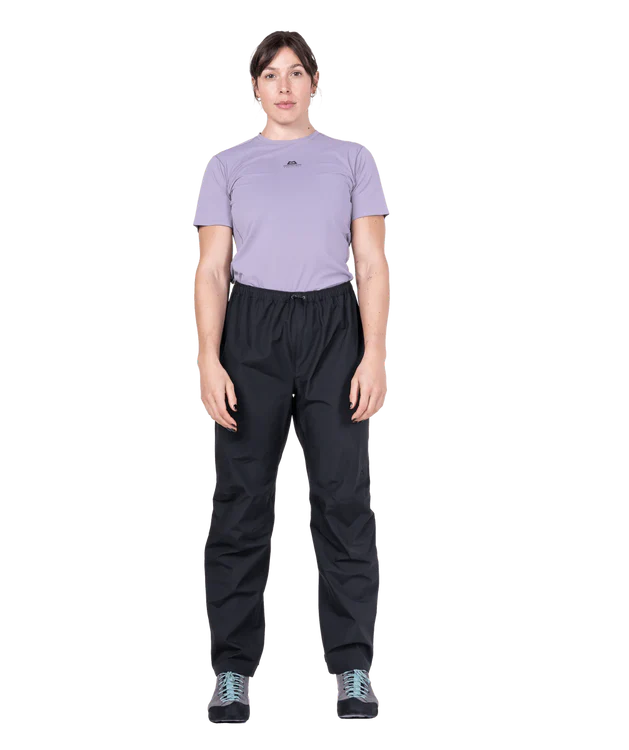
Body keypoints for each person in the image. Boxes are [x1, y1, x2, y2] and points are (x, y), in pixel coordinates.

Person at [192, 30, 391, 725]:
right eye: (271, 74)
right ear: (255, 88)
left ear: (315, 83)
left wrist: (375, 354)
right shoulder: (227, 165)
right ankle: (231, 674)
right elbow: (212, 269)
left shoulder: (352, 159)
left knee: (344, 500)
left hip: (335, 328)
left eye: (296, 73)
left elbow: (372, 263)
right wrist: (208, 360)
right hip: (252, 330)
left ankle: (354, 671)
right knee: (241, 501)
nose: (284, 86)